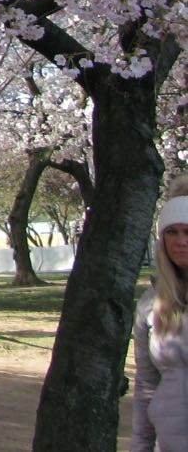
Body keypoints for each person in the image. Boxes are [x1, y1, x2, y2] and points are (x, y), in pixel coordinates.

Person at [134, 181, 188, 452]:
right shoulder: (150, 304)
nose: (181, 242)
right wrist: (140, 446)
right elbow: (146, 385)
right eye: (172, 232)